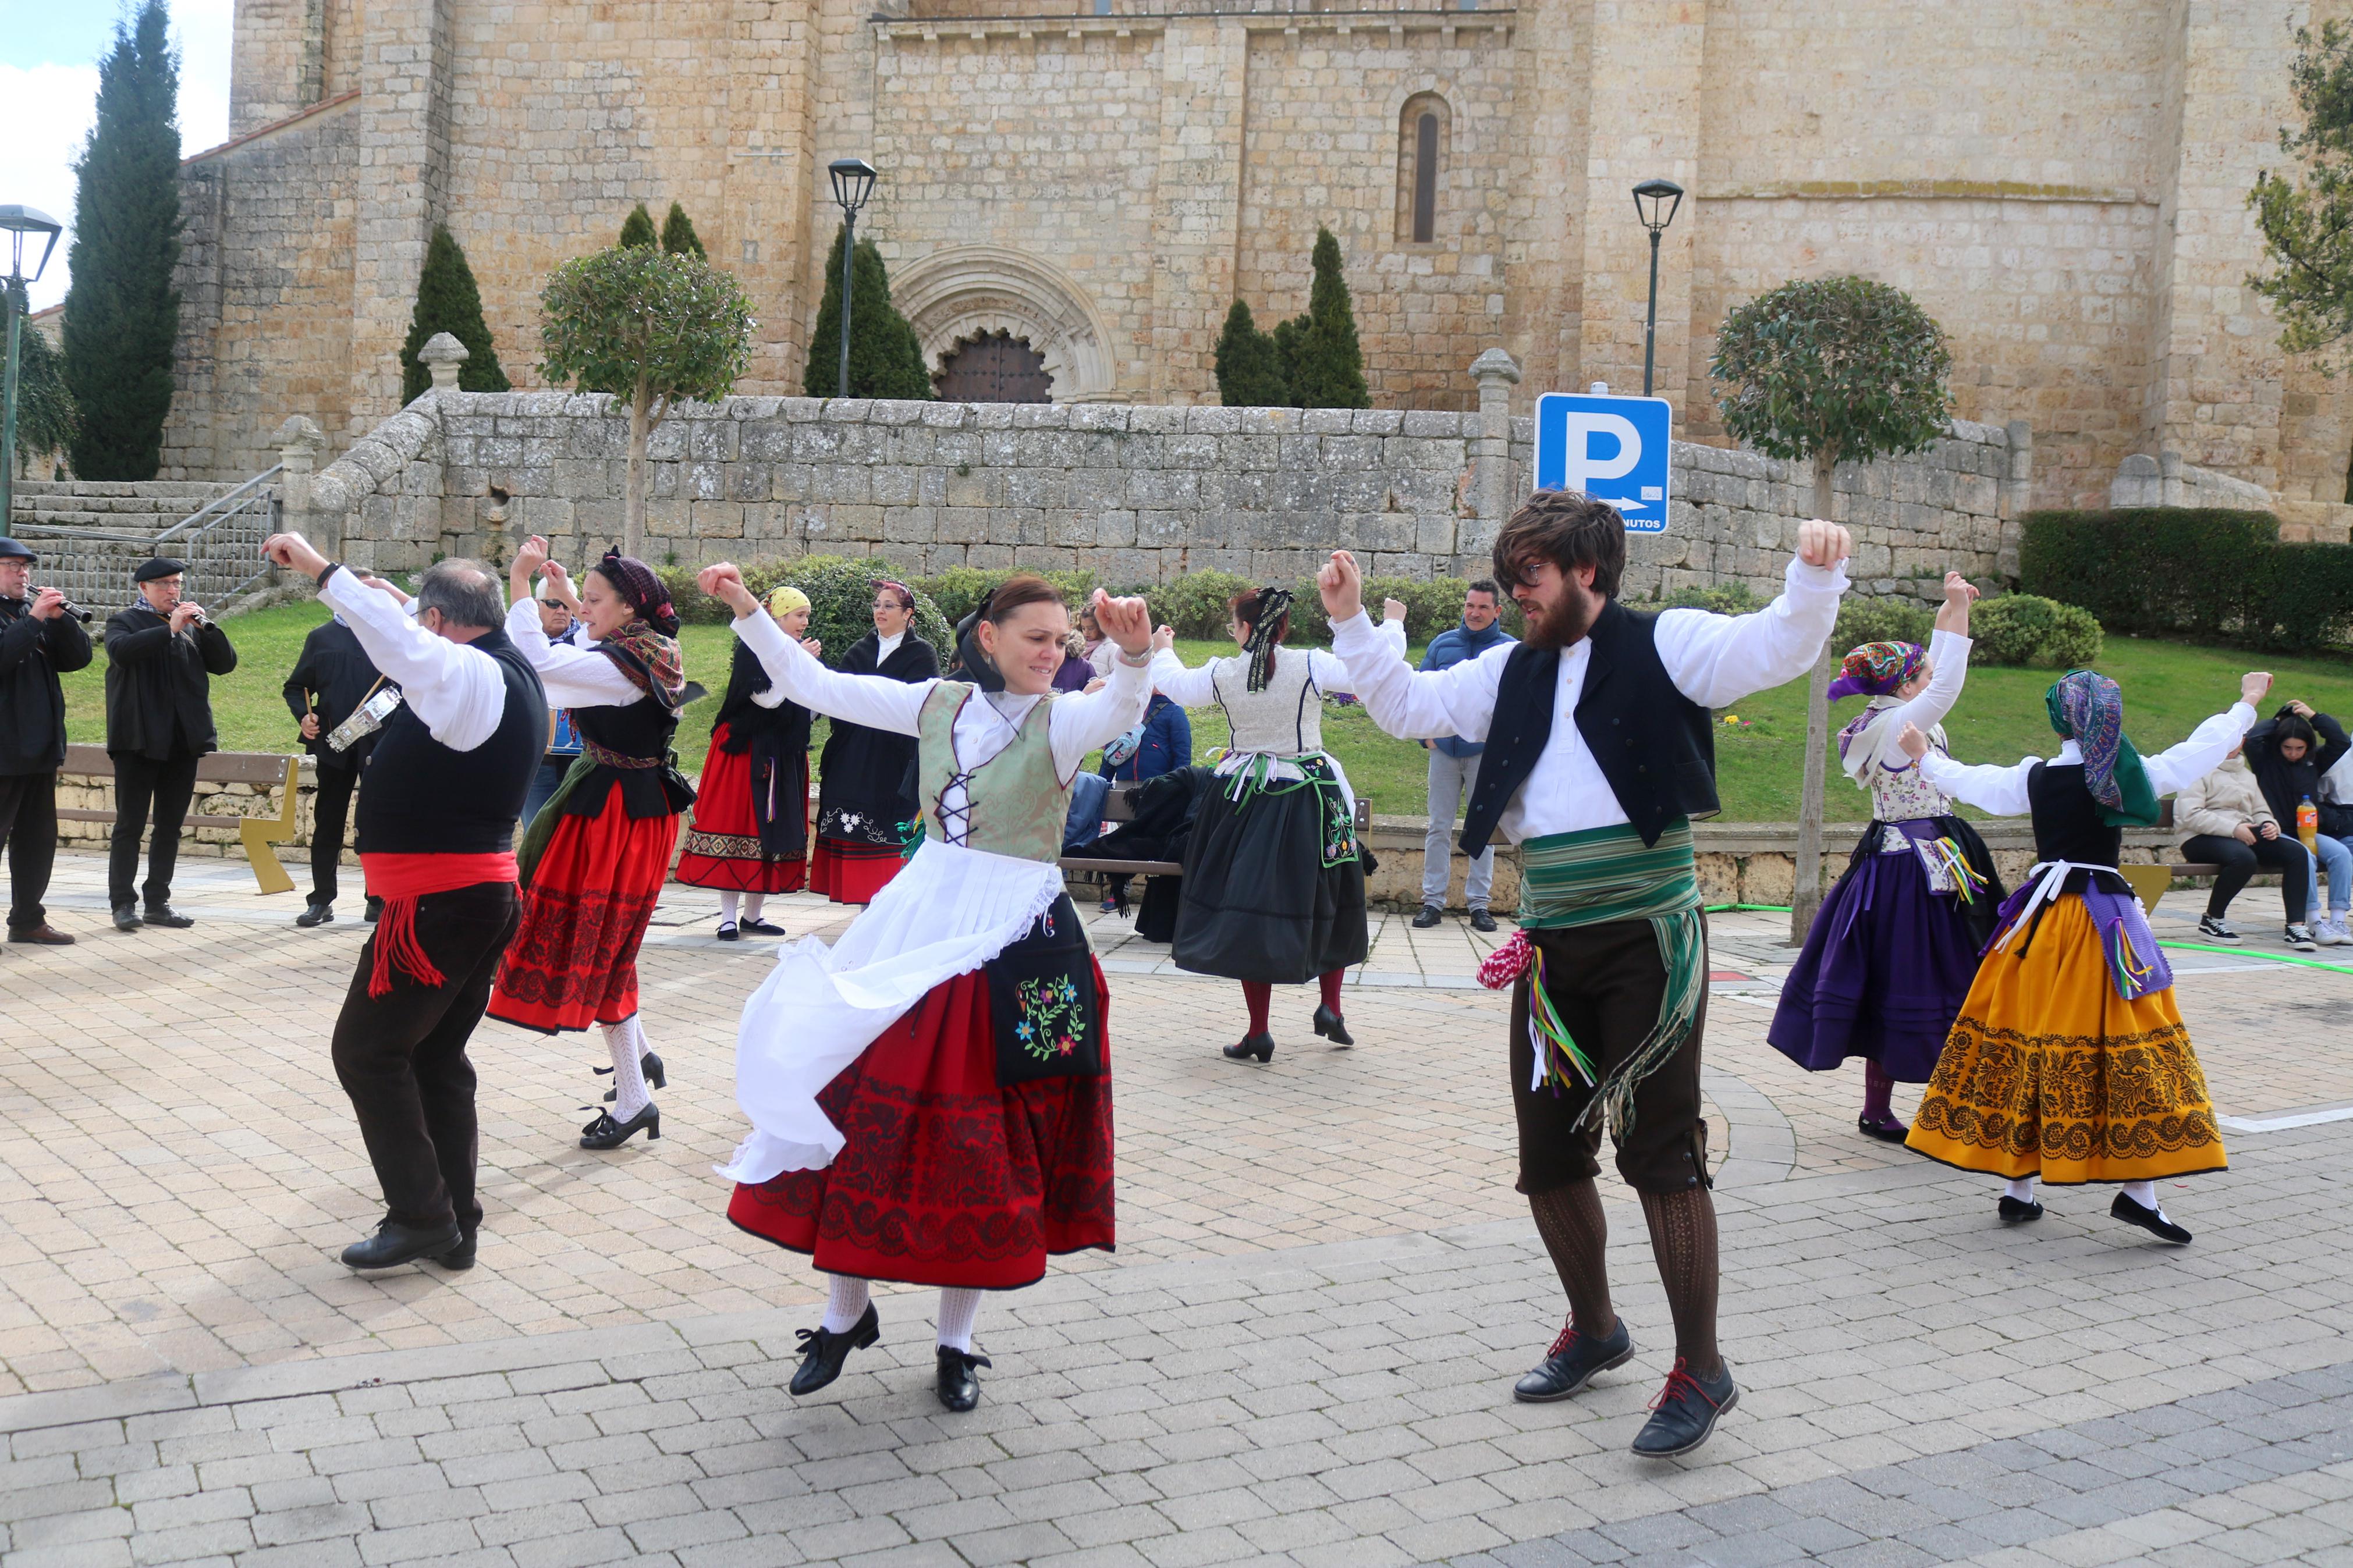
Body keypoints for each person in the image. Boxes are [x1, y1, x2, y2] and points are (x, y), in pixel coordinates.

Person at [1321, 492, 1854, 1457]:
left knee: (1660, 1154)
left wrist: (1813, 578)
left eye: (1530, 576)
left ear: (1587, 574)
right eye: (1510, 575)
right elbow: (1404, 706)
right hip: (1550, 946)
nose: (1514, 593)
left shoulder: (1668, 645)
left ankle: (1702, 1368)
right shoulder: (1507, 672)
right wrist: (1353, 617)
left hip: (1648, 945)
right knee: (1547, 1156)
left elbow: (1773, 648)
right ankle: (1597, 1328)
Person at [705, 564, 1155, 1414]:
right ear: (988, 638)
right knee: (855, 1107)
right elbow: (813, 681)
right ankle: (845, 1312)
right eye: (1035, 638)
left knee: (987, 1146)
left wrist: (1131, 660)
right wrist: (744, 608)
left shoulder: (1062, 723)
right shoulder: (935, 703)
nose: (1050, 653)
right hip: (918, 918)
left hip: (1017, 937)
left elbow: (1121, 711)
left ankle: (955, 1342)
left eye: (1061, 640)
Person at [1898, 667, 2271, 1244]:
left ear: (2056, 720)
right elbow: (2199, 752)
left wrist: (1923, 755)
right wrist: (2245, 703)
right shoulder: (2129, 773)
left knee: (2024, 1038)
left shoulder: (2037, 777)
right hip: (2103, 927)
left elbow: (1973, 782)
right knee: (2130, 1044)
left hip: (2039, 928)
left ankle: (2017, 1188)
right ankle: (2136, 1192)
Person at [260, 531, 548, 1272]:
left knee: (366, 1051)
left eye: (423, 624)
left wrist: (323, 570)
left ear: (440, 624)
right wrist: (389, 598)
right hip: (465, 899)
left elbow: (412, 650)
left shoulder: (466, 672)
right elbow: (414, 634)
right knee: (434, 1058)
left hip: (440, 906)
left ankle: (423, 1214)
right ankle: (455, 1223)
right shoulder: (506, 666)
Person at [1767, 573, 2006, 1141]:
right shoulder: (1896, 723)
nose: (1927, 684)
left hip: (1905, 860)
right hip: (1914, 870)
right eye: (1917, 678)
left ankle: (1882, 1107)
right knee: (1920, 980)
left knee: (1900, 981)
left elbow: (1936, 673)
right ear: (1904, 690)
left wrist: (1953, 610)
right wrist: (1951, 614)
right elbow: (1945, 683)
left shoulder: (1880, 717)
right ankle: (1921, 1107)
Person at [486, 539, 697, 1150]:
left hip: (615, 819)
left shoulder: (622, 664)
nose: (581, 609)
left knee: (601, 947)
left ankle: (635, 1093)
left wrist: (521, 581)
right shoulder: (640, 648)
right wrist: (578, 599)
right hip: (620, 809)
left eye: (594, 600)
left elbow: (536, 665)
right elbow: (579, 647)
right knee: (608, 946)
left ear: (629, 607)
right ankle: (639, 1071)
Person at [1147, 588, 1400, 1062]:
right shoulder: (1309, 664)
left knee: (1250, 908)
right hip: (1309, 797)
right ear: (1283, 627)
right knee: (1331, 896)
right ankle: (1330, 1007)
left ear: (1243, 627)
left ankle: (1259, 1030)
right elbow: (1371, 671)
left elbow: (1176, 684)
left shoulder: (1224, 672)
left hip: (1244, 802)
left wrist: (1163, 649)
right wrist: (1392, 626)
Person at [676, 585, 821, 938]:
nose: (804, 622)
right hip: (744, 751)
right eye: (799, 615)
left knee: (771, 832)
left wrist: (807, 671)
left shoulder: (795, 652)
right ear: (778, 616)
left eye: (806, 616)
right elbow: (767, 700)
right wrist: (799, 662)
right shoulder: (751, 650)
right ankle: (727, 916)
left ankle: (753, 916)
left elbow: (812, 707)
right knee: (740, 827)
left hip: (783, 752)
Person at [102, 558, 238, 933]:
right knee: (130, 825)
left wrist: (207, 630)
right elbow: (121, 653)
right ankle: (122, 905)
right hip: (139, 741)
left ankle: (158, 902)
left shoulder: (190, 625)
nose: (173, 591)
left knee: (170, 826)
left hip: (182, 742)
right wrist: (170, 630)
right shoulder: (124, 621)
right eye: (164, 584)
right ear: (143, 588)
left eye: (177, 583)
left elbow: (225, 665)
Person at [809, 579, 940, 905]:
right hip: (853, 754)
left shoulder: (921, 653)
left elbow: (924, 704)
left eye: (889, 606)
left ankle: (887, 906)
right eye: (877, 605)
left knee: (890, 825)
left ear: (909, 614)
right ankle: (858, 902)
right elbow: (839, 696)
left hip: (894, 757)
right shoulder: (860, 650)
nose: (880, 611)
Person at [0, 538, 93, 947]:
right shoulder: (24, 619)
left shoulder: (29, 613)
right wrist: (35, 620)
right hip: (3, 751)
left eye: (26, 567)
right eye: (12, 566)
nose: (24, 574)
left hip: (39, 748)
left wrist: (60, 620)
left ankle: (27, 919)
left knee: (38, 838)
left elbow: (78, 660)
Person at [1412, 579, 1515, 933]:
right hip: (1442, 751)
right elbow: (1420, 693)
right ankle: (1432, 902)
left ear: (1497, 611)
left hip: (1485, 756)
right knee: (1438, 827)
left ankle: (1479, 905)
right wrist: (1426, 739)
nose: (1474, 613)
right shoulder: (1443, 644)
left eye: (1483, 607)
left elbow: (1520, 707)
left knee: (1483, 830)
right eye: (1470, 605)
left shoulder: (1510, 651)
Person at [283, 607, 391, 927]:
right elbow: (295, 687)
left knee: (376, 824)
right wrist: (304, 715)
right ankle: (321, 901)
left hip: (381, 746)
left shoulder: (389, 635)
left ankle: (378, 899)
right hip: (334, 746)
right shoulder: (321, 637)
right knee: (327, 821)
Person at [2175, 735, 2316, 949]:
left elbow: (2260, 810)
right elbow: (2191, 815)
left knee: (2297, 852)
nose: (2234, 744)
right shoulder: (2197, 769)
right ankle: (2212, 920)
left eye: (2238, 739)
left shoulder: (2246, 774)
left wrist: (2269, 824)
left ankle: (2296, 926)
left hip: (2243, 834)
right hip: (2199, 838)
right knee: (2243, 858)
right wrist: (2233, 829)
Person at [2242, 700, 2351, 945]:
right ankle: (2313, 922)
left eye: (2299, 748)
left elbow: (2341, 741)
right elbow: (2253, 737)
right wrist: (2279, 719)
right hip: (2278, 832)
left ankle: (2338, 921)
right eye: (2288, 748)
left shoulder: (2314, 762)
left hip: (2308, 831)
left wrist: (2314, 716)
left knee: (2341, 854)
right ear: (2278, 745)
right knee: (2305, 857)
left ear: (2308, 747)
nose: (2293, 753)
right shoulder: (2266, 761)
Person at [1094, 689, 1193, 913]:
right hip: (1125, 787)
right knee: (1124, 839)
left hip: (1158, 789)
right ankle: (1118, 890)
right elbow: (1112, 751)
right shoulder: (1127, 710)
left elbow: (1182, 757)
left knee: (1153, 841)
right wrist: (1101, 783)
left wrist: (1174, 788)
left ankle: (1155, 898)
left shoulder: (1174, 712)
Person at [520, 584, 587, 826]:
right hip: (537, 759)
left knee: (576, 840)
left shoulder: (590, 639)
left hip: (583, 760)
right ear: (538, 605)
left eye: (567, 605)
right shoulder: (520, 638)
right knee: (538, 835)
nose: (561, 610)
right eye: (552, 604)